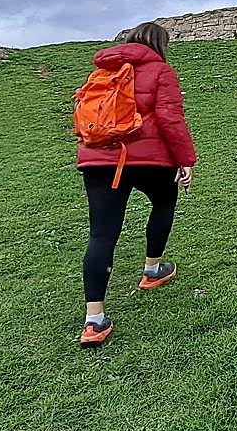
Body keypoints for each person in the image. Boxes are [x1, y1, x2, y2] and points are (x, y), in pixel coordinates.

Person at [76, 21, 196, 346]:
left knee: (102, 235)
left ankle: (94, 320)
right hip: (147, 159)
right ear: (160, 44)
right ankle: (152, 269)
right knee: (164, 201)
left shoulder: (102, 71)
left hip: (99, 160)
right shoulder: (161, 71)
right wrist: (185, 160)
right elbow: (170, 118)